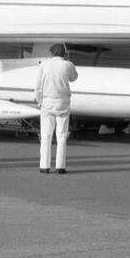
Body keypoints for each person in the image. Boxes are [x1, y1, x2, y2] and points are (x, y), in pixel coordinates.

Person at [35, 44, 78, 175]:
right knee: (62, 135)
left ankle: (44, 165)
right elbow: (74, 78)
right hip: (63, 101)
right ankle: (60, 166)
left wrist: (39, 100)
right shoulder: (68, 64)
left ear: (51, 53)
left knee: (46, 135)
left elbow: (38, 85)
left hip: (47, 101)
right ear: (64, 53)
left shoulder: (43, 65)